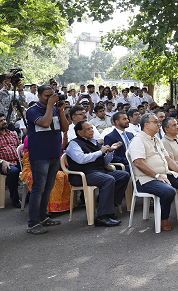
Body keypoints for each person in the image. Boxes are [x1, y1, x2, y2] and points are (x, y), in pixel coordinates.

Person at [65, 120, 129, 227]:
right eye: (88, 129)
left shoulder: (94, 142)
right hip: (83, 174)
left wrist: (110, 151)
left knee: (124, 175)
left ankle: (108, 205)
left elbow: (104, 162)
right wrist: (100, 152)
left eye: (92, 128)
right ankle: (102, 217)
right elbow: (81, 159)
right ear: (79, 132)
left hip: (99, 171)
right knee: (108, 179)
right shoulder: (74, 143)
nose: (91, 131)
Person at [25, 84, 69, 234]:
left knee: (48, 188)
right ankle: (32, 223)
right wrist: (51, 105)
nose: (50, 98)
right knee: (38, 189)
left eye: (52, 95)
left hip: (54, 154)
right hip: (40, 156)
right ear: (38, 96)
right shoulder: (32, 111)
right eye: (46, 96)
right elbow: (44, 122)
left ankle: (43, 217)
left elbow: (64, 128)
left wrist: (61, 110)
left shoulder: (56, 109)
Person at [0, 113, 23, 207]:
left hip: (17, 160)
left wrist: (23, 154)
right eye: (1, 121)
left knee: (33, 167)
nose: (4, 122)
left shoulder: (12, 133)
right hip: (4, 163)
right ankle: (15, 200)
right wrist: (2, 161)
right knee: (13, 171)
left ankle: (29, 195)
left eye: (4, 119)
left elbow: (19, 147)